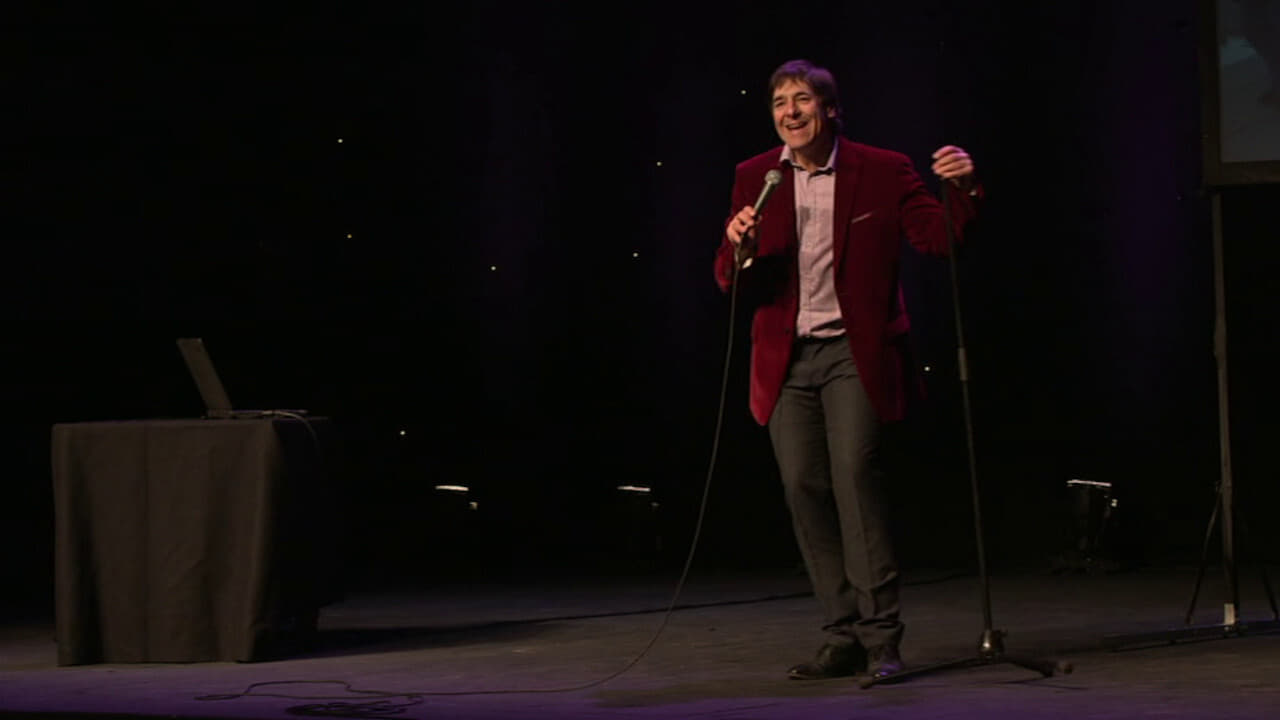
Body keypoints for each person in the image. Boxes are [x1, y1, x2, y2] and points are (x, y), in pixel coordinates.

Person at [713, 58, 981, 681]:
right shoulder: (756, 176)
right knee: (802, 486)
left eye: (802, 100)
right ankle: (841, 634)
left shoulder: (882, 170)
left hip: (853, 354)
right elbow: (729, 274)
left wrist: (963, 190)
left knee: (856, 477)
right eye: (780, 102)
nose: (790, 113)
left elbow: (938, 238)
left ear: (830, 109)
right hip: (786, 357)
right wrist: (737, 247)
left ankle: (882, 637)